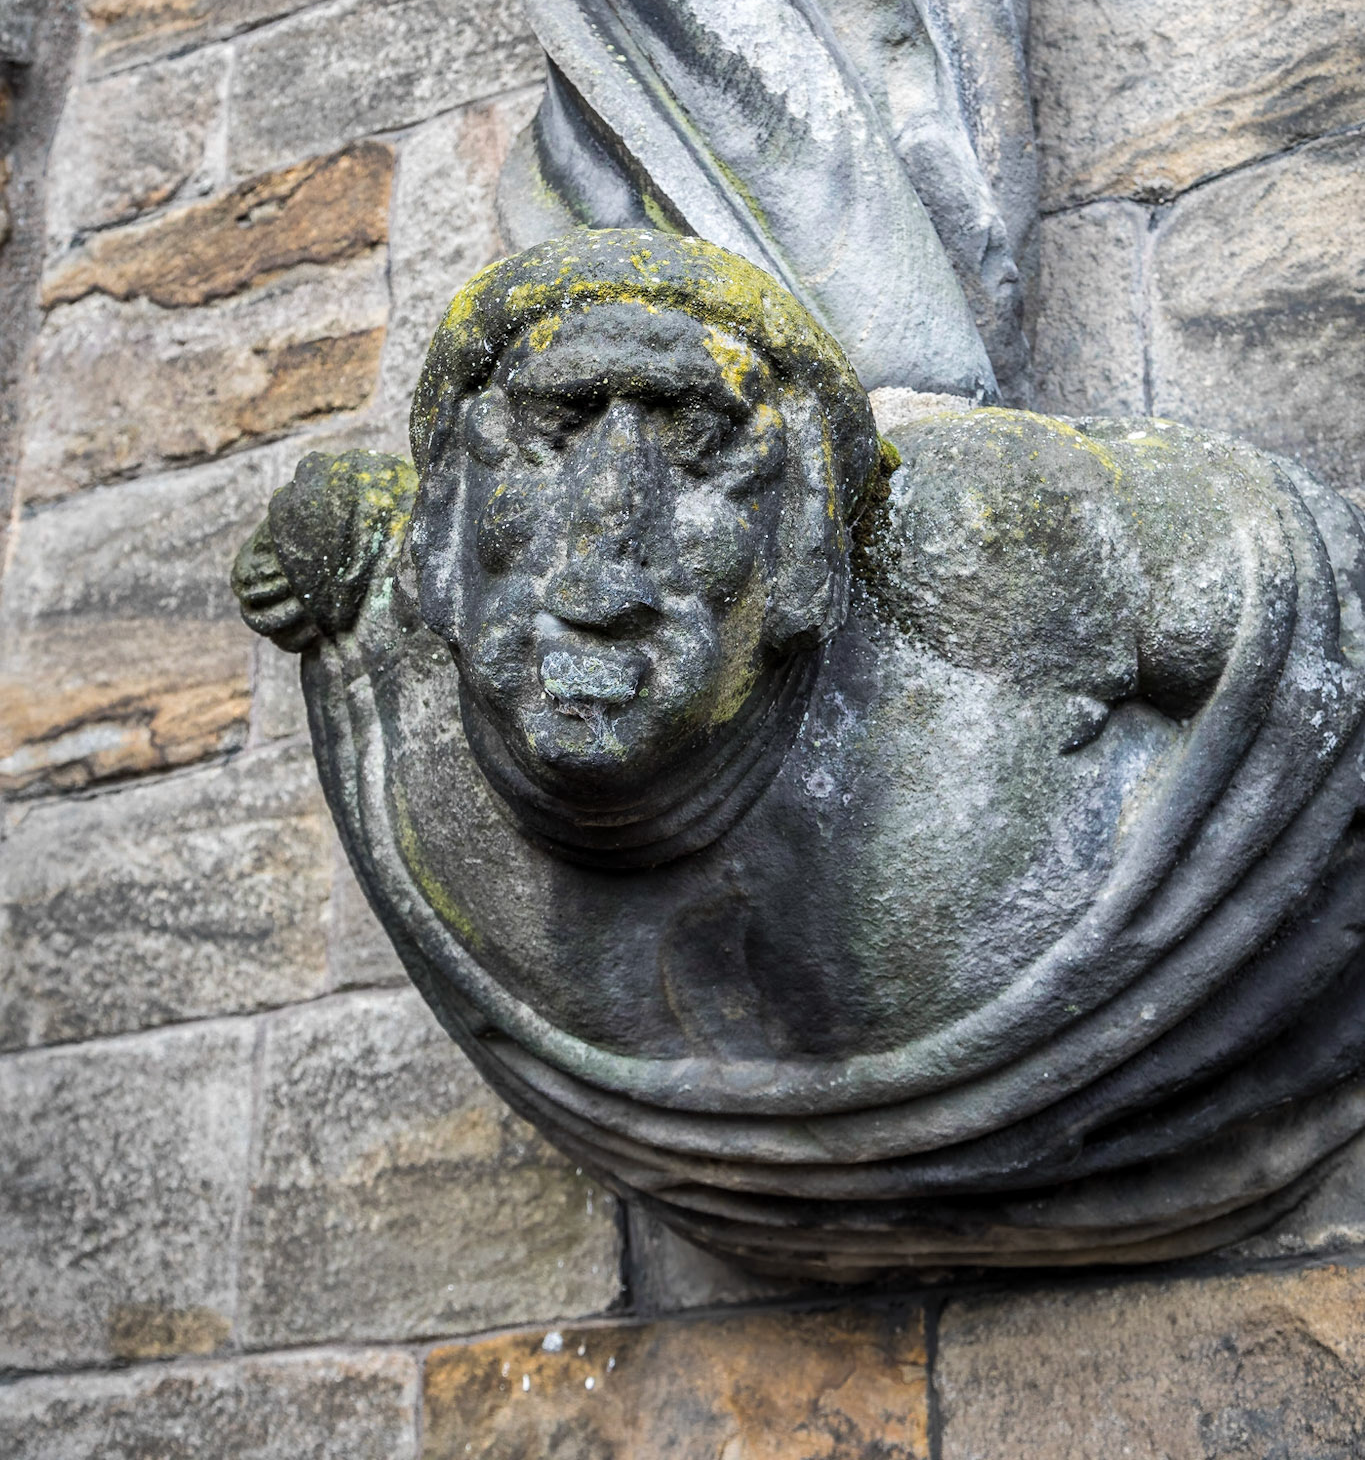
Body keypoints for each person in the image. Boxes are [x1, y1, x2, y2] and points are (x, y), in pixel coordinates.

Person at [234, 230, 1365, 1272]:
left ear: (807, 548)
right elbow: (356, 546)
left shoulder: (994, 553)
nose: (602, 558)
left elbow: (1298, 597)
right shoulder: (391, 681)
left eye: (697, 453)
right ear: (440, 538)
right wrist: (335, 544)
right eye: (551, 437)